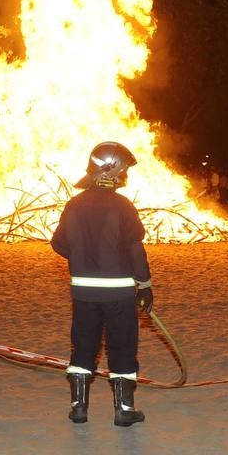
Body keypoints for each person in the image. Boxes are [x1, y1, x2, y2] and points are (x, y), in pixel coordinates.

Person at [50, 141, 153, 427]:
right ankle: (124, 410)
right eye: (124, 170)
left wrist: (82, 259)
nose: (126, 176)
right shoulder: (122, 206)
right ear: (113, 168)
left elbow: (58, 243)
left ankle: (78, 408)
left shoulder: (75, 204)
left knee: (83, 346)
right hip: (118, 293)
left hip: (83, 293)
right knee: (121, 348)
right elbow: (135, 250)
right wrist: (144, 284)